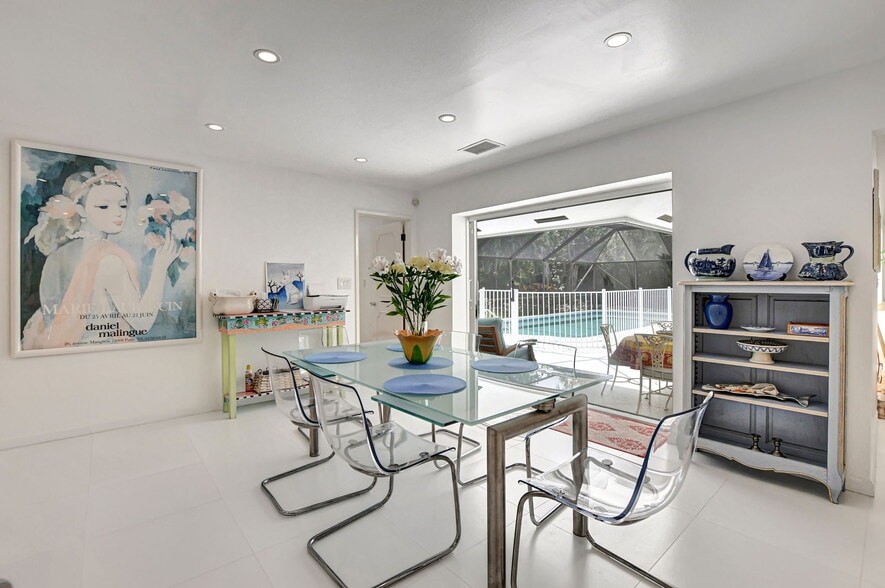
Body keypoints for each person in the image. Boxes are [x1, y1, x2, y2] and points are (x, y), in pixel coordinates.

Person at [22, 165, 180, 349]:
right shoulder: (107, 259)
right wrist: (160, 267)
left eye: (122, 204)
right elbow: (142, 324)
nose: (118, 212)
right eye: (104, 206)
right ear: (80, 210)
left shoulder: (58, 254)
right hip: (100, 352)